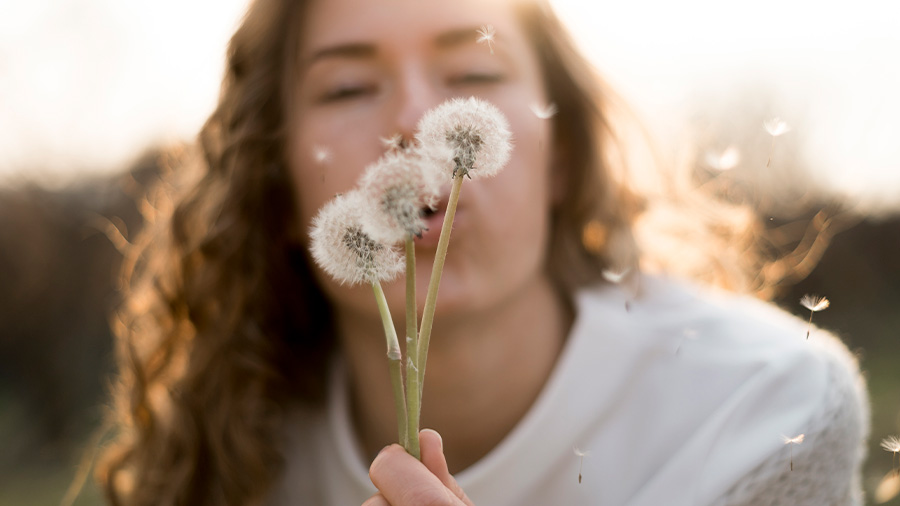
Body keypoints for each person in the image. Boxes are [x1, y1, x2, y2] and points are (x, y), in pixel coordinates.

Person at [97, 0, 869, 504]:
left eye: (473, 73)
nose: (412, 118)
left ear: (562, 154)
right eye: (346, 89)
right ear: (277, 176)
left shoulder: (765, 412)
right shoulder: (229, 456)